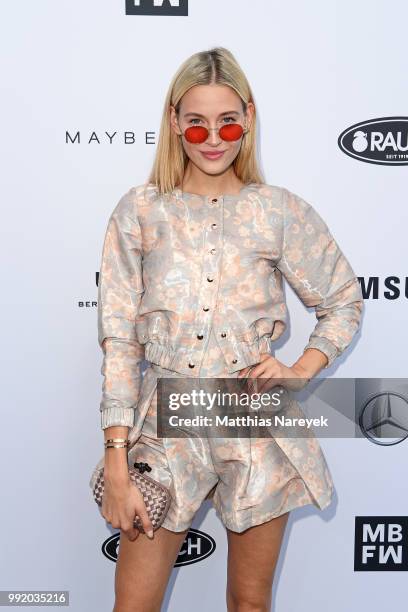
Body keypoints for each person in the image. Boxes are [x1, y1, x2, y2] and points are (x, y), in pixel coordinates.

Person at [89, 47, 364, 611]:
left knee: (249, 604)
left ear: (249, 119)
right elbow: (120, 340)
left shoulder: (278, 211)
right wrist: (116, 457)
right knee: (133, 606)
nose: (214, 138)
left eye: (228, 121)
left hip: (252, 418)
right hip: (165, 427)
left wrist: (299, 369)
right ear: (174, 123)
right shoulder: (140, 211)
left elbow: (343, 300)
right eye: (197, 124)